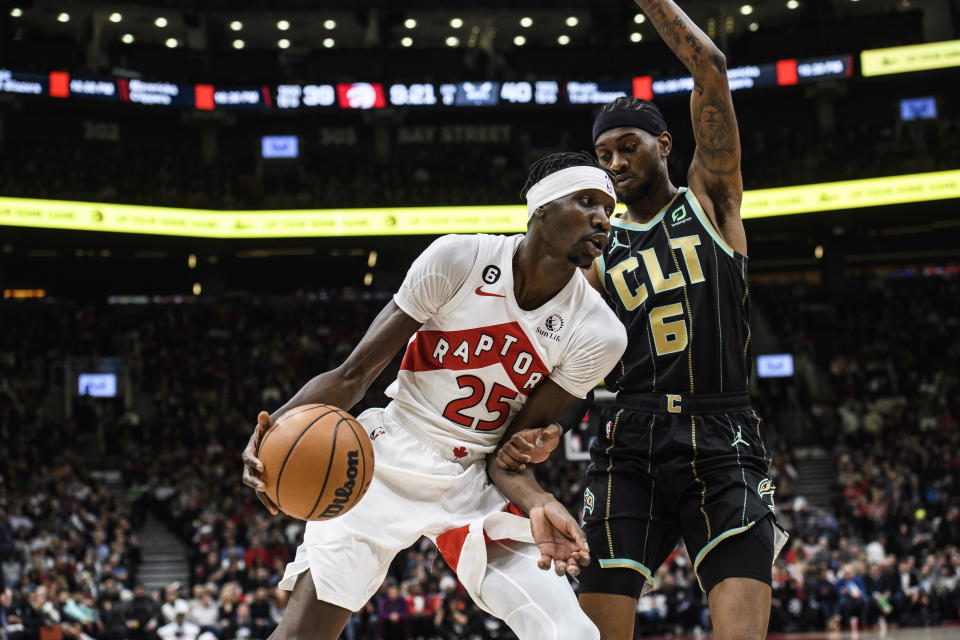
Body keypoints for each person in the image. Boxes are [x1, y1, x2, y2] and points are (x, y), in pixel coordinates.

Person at [241, 152, 628, 640]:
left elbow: (508, 456)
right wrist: (271, 431)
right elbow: (352, 376)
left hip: (473, 480)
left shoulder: (600, 332)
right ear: (541, 209)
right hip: (383, 458)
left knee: (571, 634)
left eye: (609, 211)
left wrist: (540, 501)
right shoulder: (459, 259)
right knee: (302, 634)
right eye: (587, 201)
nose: (602, 219)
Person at [493, 1, 788, 638]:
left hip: (723, 431)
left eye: (628, 147)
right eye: (604, 155)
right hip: (632, 437)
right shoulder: (598, 251)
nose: (617, 163)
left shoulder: (712, 200)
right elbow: (559, 335)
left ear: (665, 143)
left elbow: (709, 66)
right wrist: (536, 423)